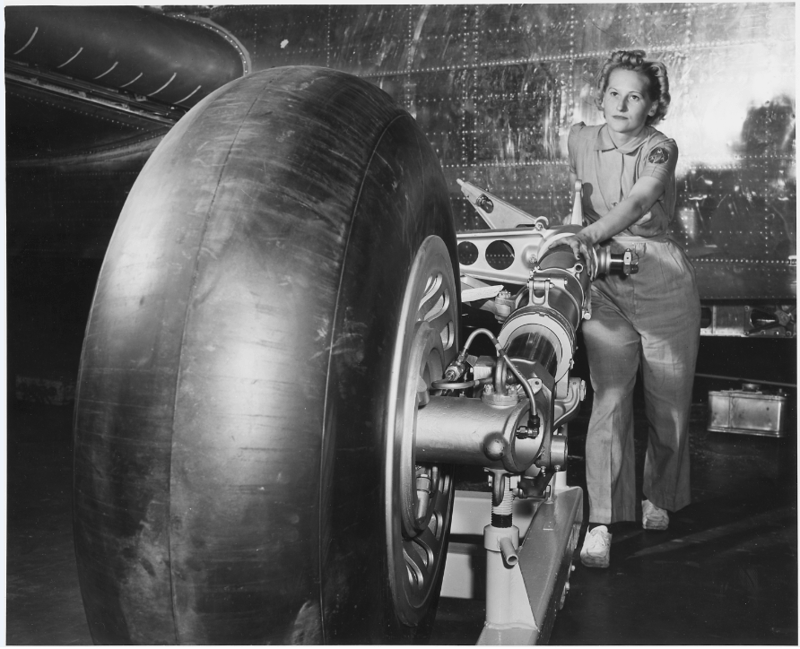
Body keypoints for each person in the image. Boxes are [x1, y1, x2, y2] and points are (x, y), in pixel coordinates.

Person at [562, 50, 701, 569]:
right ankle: (602, 520)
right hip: (606, 284)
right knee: (610, 401)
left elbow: (640, 201)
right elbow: (579, 200)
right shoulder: (579, 138)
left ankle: (656, 497)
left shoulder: (660, 149)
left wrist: (591, 234)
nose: (622, 104)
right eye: (614, 93)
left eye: (635, 96)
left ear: (651, 105)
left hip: (662, 282)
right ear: (601, 96)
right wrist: (577, 241)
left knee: (667, 406)